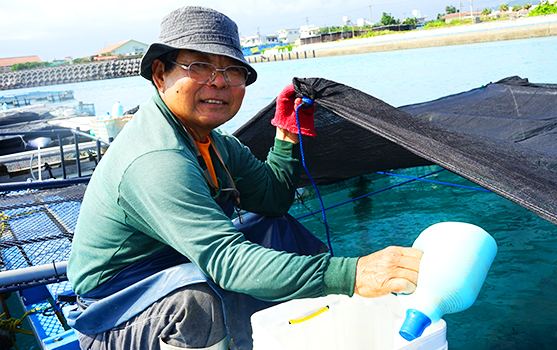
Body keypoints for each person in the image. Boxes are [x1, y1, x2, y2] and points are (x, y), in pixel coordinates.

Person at [66, 6, 423, 350]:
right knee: (199, 303)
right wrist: (353, 274)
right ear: (161, 75)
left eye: (234, 71)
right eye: (200, 66)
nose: (219, 82)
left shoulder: (215, 144)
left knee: (277, 228)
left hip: (177, 262)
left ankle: (318, 325)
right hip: (113, 311)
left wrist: (285, 135)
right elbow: (226, 261)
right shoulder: (156, 158)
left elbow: (273, 199)